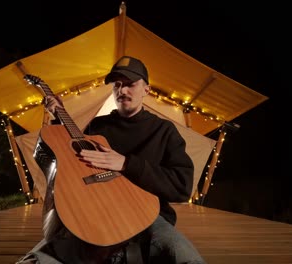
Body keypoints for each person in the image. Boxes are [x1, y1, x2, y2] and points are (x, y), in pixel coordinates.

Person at [17, 56, 206, 264]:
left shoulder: (164, 131)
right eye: (117, 85)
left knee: (187, 257)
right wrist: (57, 116)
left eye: (130, 85)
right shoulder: (97, 127)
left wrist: (125, 163)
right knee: (35, 259)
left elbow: (182, 186)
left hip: (149, 218)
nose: (122, 91)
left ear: (147, 90)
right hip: (95, 214)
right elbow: (69, 158)